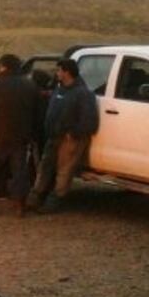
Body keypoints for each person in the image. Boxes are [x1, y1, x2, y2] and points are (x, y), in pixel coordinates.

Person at [0, 54, 42, 218]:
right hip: (21, 137)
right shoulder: (30, 86)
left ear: (3, 66)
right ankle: (19, 206)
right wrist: (34, 134)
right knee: (20, 171)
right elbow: (38, 114)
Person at [27, 59, 98, 213]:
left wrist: (74, 133)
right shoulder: (60, 90)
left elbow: (90, 120)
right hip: (53, 136)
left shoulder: (83, 94)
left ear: (66, 72)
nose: (56, 73)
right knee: (45, 166)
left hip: (70, 139)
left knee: (64, 170)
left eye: (59, 70)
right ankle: (36, 196)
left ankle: (54, 200)